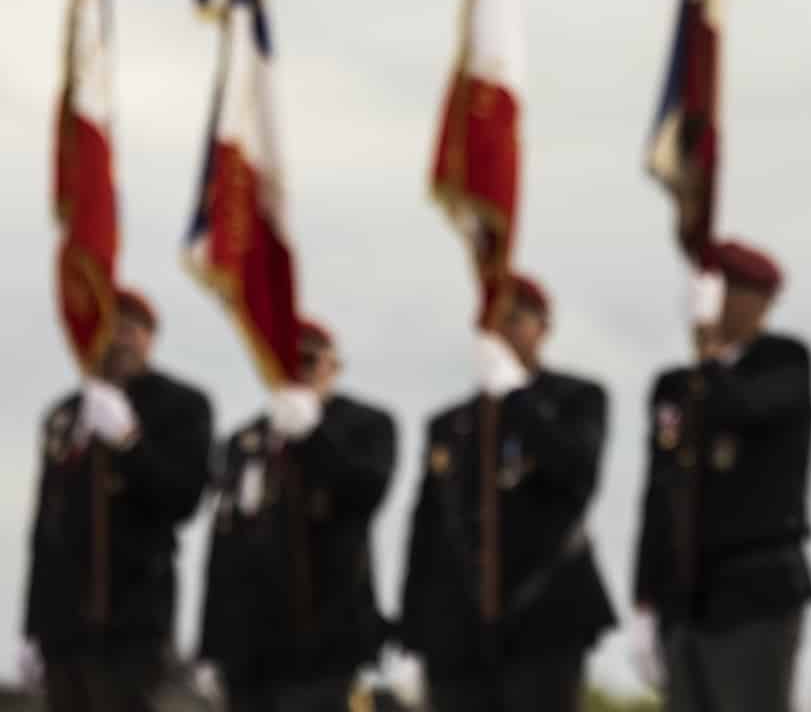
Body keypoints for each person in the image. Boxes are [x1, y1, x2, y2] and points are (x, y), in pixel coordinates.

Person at [399, 275, 615, 712]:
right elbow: (427, 530)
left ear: (543, 327)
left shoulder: (576, 399)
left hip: (544, 615)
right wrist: (414, 625)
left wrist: (516, 397)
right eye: (492, 324)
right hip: (458, 625)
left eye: (515, 320)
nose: (502, 333)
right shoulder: (451, 424)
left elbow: (575, 476)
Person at [631, 239, 811, 712]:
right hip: (684, 597)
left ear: (760, 300)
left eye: (727, 289)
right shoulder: (672, 387)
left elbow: (743, 407)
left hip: (753, 594)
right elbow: (658, 494)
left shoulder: (785, 361)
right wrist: (644, 599)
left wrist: (709, 358)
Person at [23, 289, 214, 712]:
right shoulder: (65, 413)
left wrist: (129, 441)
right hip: (63, 623)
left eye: (132, 328)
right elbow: (45, 526)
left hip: (133, 618)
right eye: (110, 328)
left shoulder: (181, 405)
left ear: (151, 338)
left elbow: (182, 498)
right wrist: (31, 627)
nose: (120, 339)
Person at [199, 319, 397, 711]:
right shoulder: (245, 441)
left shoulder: (365, 425)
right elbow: (224, 544)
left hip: (325, 646)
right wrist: (211, 644)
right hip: (250, 650)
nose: (300, 371)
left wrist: (312, 432)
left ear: (333, 366)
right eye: (290, 361)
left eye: (310, 361)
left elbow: (364, 491)